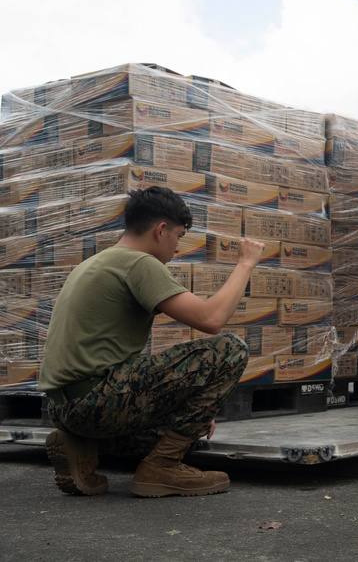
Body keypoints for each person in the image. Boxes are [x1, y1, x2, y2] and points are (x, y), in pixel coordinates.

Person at [38, 186, 265, 497]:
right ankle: (164, 467)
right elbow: (211, 320)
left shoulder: (97, 262)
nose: (177, 249)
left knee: (189, 431)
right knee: (230, 350)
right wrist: (245, 264)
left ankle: (83, 446)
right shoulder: (139, 263)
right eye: (179, 237)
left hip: (66, 409)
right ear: (161, 230)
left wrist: (196, 410)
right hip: (97, 400)